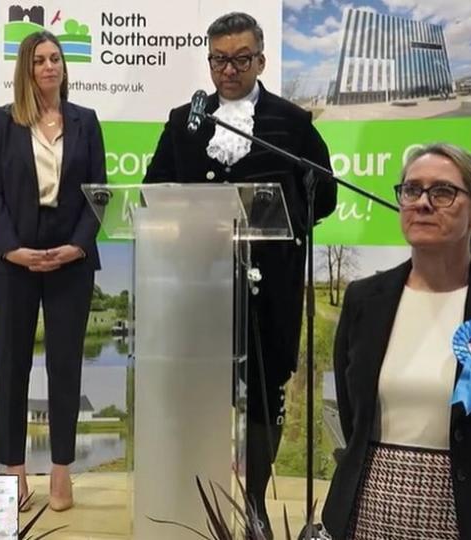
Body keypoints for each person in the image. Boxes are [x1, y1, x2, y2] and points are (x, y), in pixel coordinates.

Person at [143, 12, 337, 534]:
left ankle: (253, 504)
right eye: (219, 59)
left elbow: (324, 196)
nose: (229, 70)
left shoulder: (291, 122)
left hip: (268, 284)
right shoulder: (186, 119)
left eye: (241, 59)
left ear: (261, 60)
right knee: (198, 392)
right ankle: (196, 503)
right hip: (197, 283)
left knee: (265, 391)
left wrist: (274, 218)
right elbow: (152, 191)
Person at [322, 143, 471, 539]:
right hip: (370, 508)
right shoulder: (365, 299)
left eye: (443, 192)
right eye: (411, 190)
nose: (423, 203)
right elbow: (353, 413)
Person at [0, 30, 106, 512]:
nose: (50, 66)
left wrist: (77, 246)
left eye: (56, 58)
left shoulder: (86, 121)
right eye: (39, 60)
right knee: (12, 364)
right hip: (13, 264)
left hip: (70, 262)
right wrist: (13, 249)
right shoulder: (2, 121)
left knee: (64, 365)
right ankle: (13, 469)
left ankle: (60, 469)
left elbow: (99, 193)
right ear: (26, 70)